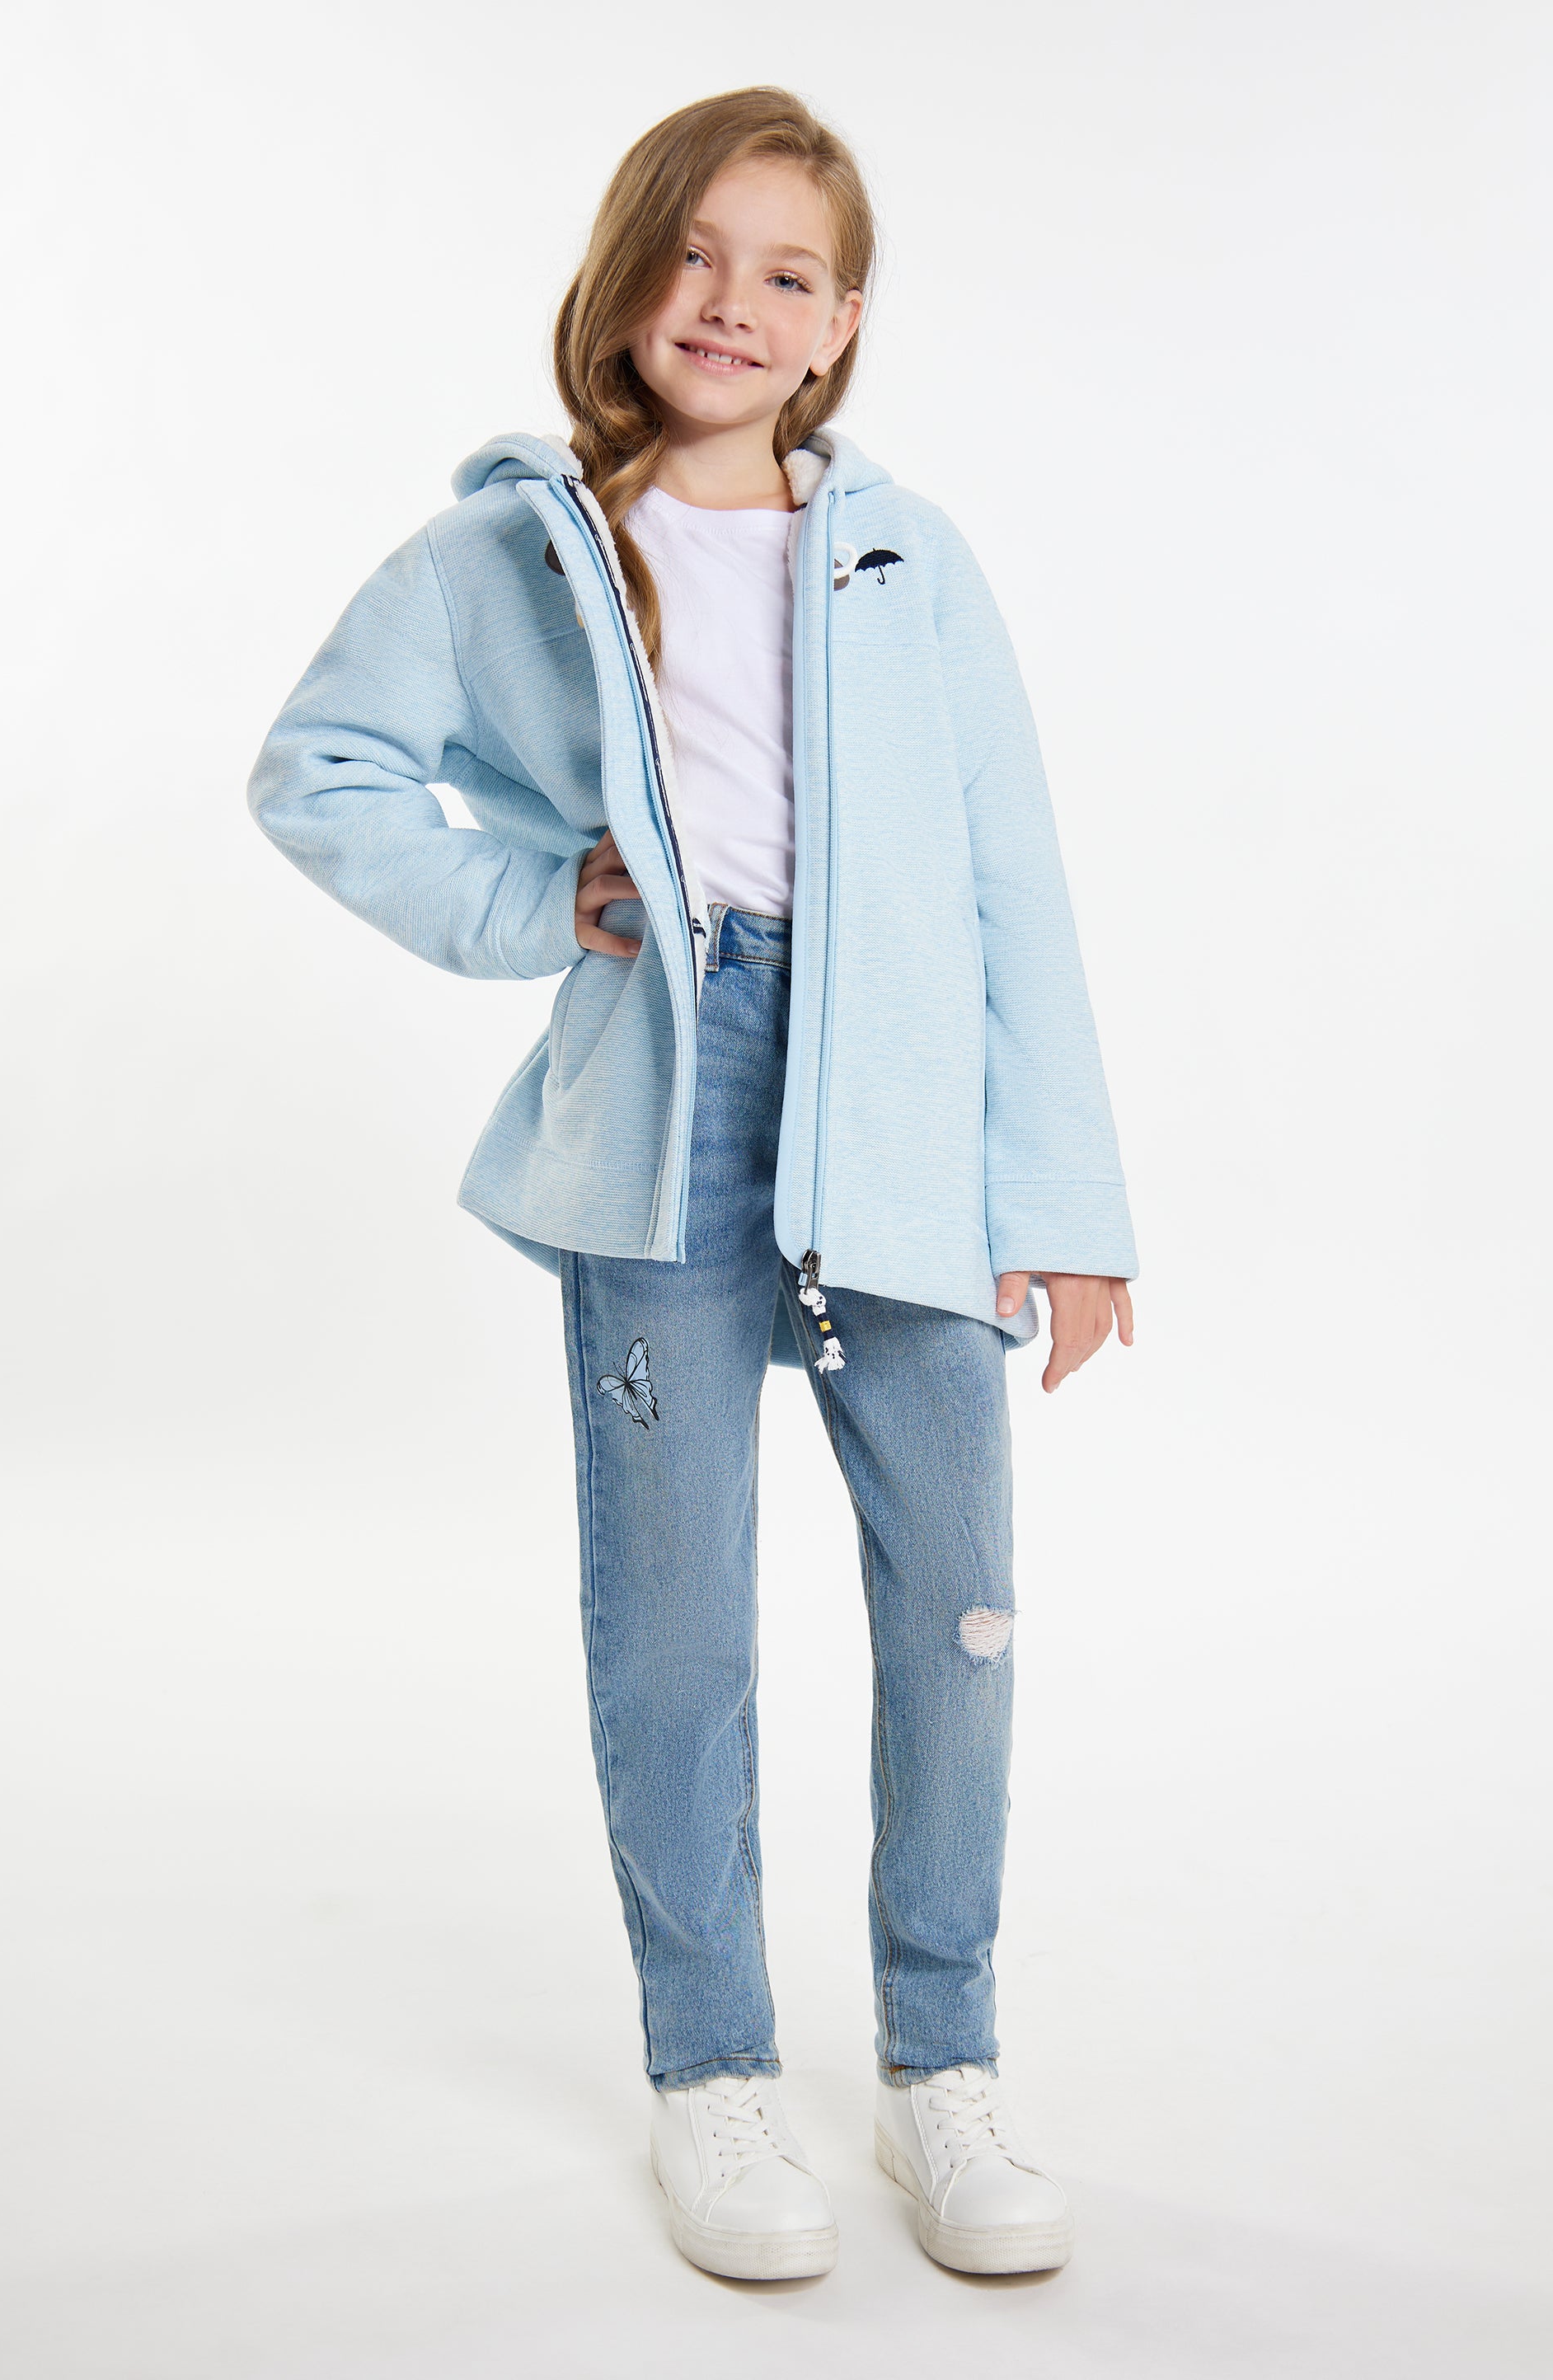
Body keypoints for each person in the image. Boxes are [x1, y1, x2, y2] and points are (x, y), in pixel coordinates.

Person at [247, 85, 1136, 2284]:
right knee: (676, 1623)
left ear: (842, 326)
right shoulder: (514, 552)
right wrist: (534, 900)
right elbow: (321, 770)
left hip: (903, 1115)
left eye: (788, 272)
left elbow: (1013, 882)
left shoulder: (914, 563)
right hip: (669, 1102)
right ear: (624, 269)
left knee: (958, 1609)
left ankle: (942, 2060)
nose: (732, 302)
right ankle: (713, 2074)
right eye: (695, 252)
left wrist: (1065, 1200)